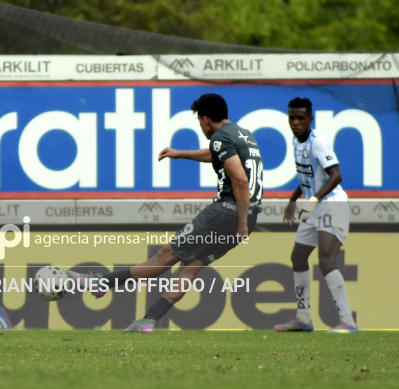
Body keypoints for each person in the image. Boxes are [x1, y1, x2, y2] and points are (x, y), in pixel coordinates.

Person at [70, 93, 262, 332]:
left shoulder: (219, 137)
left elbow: (241, 181)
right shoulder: (242, 135)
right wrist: (179, 153)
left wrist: (240, 221)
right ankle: (150, 320)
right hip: (250, 214)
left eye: (199, 122)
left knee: (166, 256)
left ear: (204, 120)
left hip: (227, 212)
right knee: (191, 266)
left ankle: (102, 283)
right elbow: (218, 156)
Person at [273, 97, 358, 333]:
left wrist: (313, 200)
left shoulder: (318, 142)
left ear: (311, 119)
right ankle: (303, 319)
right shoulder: (295, 141)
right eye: (292, 118)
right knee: (298, 257)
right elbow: (307, 176)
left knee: (326, 260)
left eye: (301, 118)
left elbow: (336, 175)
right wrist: (292, 199)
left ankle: (347, 322)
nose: (296, 122)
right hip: (314, 206)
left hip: (332, 205)